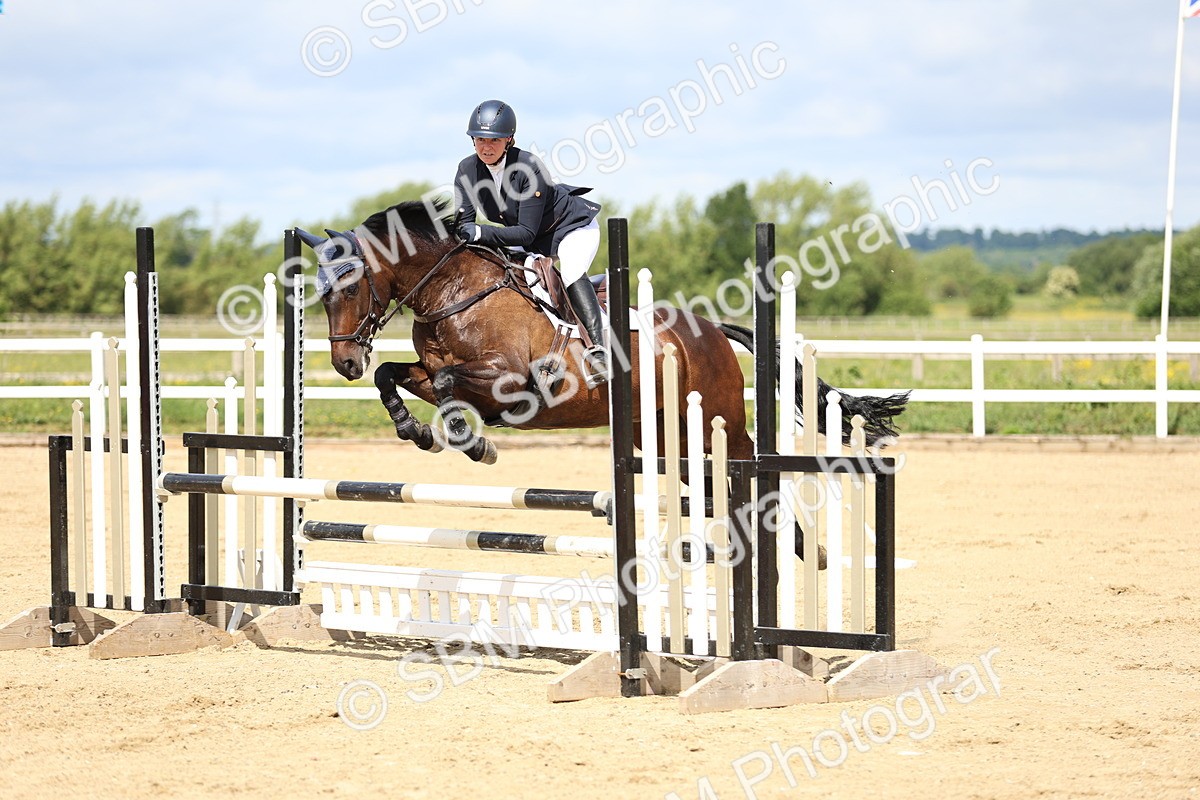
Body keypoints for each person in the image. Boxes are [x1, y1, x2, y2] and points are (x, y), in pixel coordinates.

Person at [451, 99, 608, 386]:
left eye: (494, 140)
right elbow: (465, 227)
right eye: (480, 140)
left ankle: (599, 350)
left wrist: (479, 233)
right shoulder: (467, 171)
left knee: (571, 271)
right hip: (529, 237)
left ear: (509, 139)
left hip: (570, 229)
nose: (487, 147)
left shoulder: (529, 167)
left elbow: (524, 234)